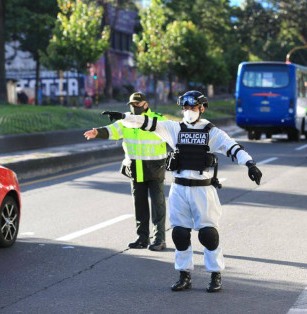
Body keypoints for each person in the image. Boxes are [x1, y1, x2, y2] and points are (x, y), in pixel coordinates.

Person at [101, 90, 262, 293]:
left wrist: (250, 164)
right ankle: (184, 275)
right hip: (179, 188)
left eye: (192, 107)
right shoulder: (174, 129)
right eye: (185, 107)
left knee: (208, 235)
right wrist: (124, 117)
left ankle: (215, 274)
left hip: (203, 191)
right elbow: (146, 123)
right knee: (179, 233)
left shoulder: (212, 132)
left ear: (202, 108)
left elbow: (233, 147)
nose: (188, 111)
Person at [84, 92, 168, 251]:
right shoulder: (126, 121)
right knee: (139, 205)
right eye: (132, 105)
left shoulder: (158, 118)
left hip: (155, 168)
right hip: (136, 168)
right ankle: (142, 238)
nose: (134, 107)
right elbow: (113, 130)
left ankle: (159, 239)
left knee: (158, 205)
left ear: (145, 104)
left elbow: (157, 127)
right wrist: (97, 132)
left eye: (137, 104)